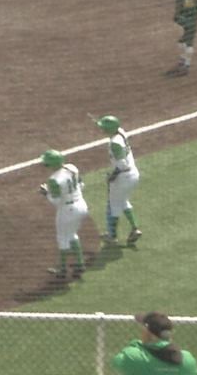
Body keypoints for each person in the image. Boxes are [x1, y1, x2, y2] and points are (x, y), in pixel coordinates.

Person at [39, 149, 88, 280]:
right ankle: (80, 263)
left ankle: (62, 268)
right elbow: (81, 184)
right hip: (81, 205)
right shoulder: (72, 168)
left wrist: (46, 193)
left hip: (68, 210)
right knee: (72, 235)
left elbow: (56, 201)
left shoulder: (54, 180)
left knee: (63, 238)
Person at [97, 115, 142, 246]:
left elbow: (122, 164)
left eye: (103, 128)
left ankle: (112, 236)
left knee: (113, 206)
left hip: (123, 177)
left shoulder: (115, 144)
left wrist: (112, 176)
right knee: (123, 201)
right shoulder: (121, 132)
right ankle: (134, 228)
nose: (102, 130)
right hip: (133, 174)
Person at [111, 312, 197, 373]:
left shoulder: (133, 356)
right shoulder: (187, 359)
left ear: (148, 332)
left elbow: (117, 362)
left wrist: (137, 344)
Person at [168, 0, 197, 77]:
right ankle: (183, 63)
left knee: (186, 43)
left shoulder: (181, 0)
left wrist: (180, 22)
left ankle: (185, 65)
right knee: (184, 43)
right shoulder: (195, 0)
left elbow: (177, 15)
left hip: (185, 24)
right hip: (193, 24)